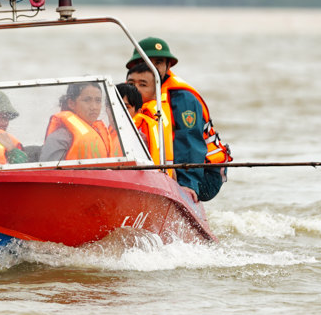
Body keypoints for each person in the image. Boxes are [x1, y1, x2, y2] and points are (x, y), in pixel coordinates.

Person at [126, 37, 231, 202]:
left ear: (168, 66)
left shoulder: (183, 98)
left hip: (205, 173)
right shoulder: (129, 92)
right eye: (146, 62)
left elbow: (189, 141)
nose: (152, 67)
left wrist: (187, 185)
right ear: (135, 66)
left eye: (158, 62)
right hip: (165, 166)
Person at [40, 82, 110, 162]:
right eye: (87, 100)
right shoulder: (60, 138)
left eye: (98, 101)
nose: (94, 107)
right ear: (71, 103)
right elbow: (49, 173)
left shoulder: (100, 133)